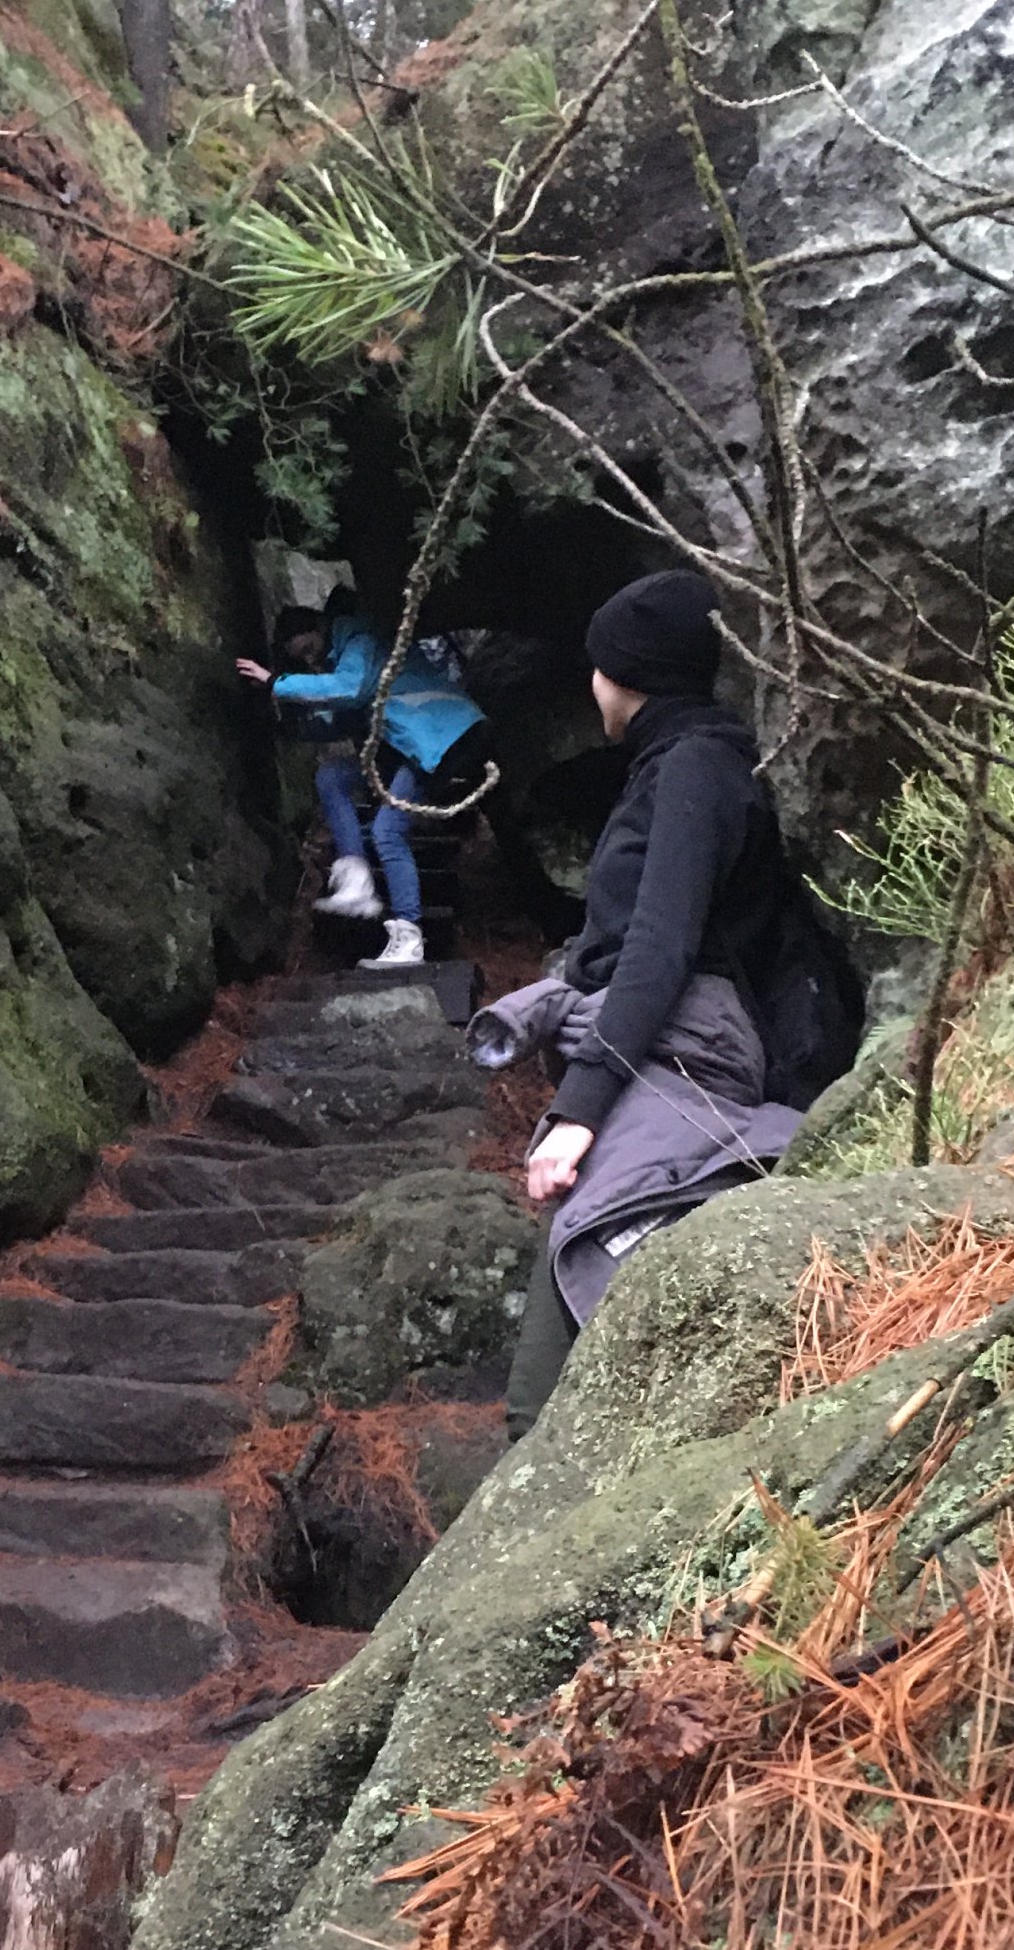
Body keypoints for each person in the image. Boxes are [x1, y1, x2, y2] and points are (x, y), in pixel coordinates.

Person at [480, 571, 860, 1439]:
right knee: (558, 1373)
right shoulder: (691, 763)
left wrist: (577, 1112)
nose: (592, 683)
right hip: (666, 1048)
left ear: (626, 674)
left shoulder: (693, 766)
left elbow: (660, 948)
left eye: (598, 665)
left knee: (543, 1393)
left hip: (677, 1055)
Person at [237, 591, 486, 970]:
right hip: (412, 745)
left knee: (387, 832)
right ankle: (355, 876)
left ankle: (409, 938)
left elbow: (349, 689)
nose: (310, 661)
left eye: (310, 649)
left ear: (321, 627)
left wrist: (277, 683)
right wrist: (287, 725)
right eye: (302, 657)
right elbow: (346, 719)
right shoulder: (342, 657)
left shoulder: (360, 638)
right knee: (332, 776)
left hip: (439, 736)